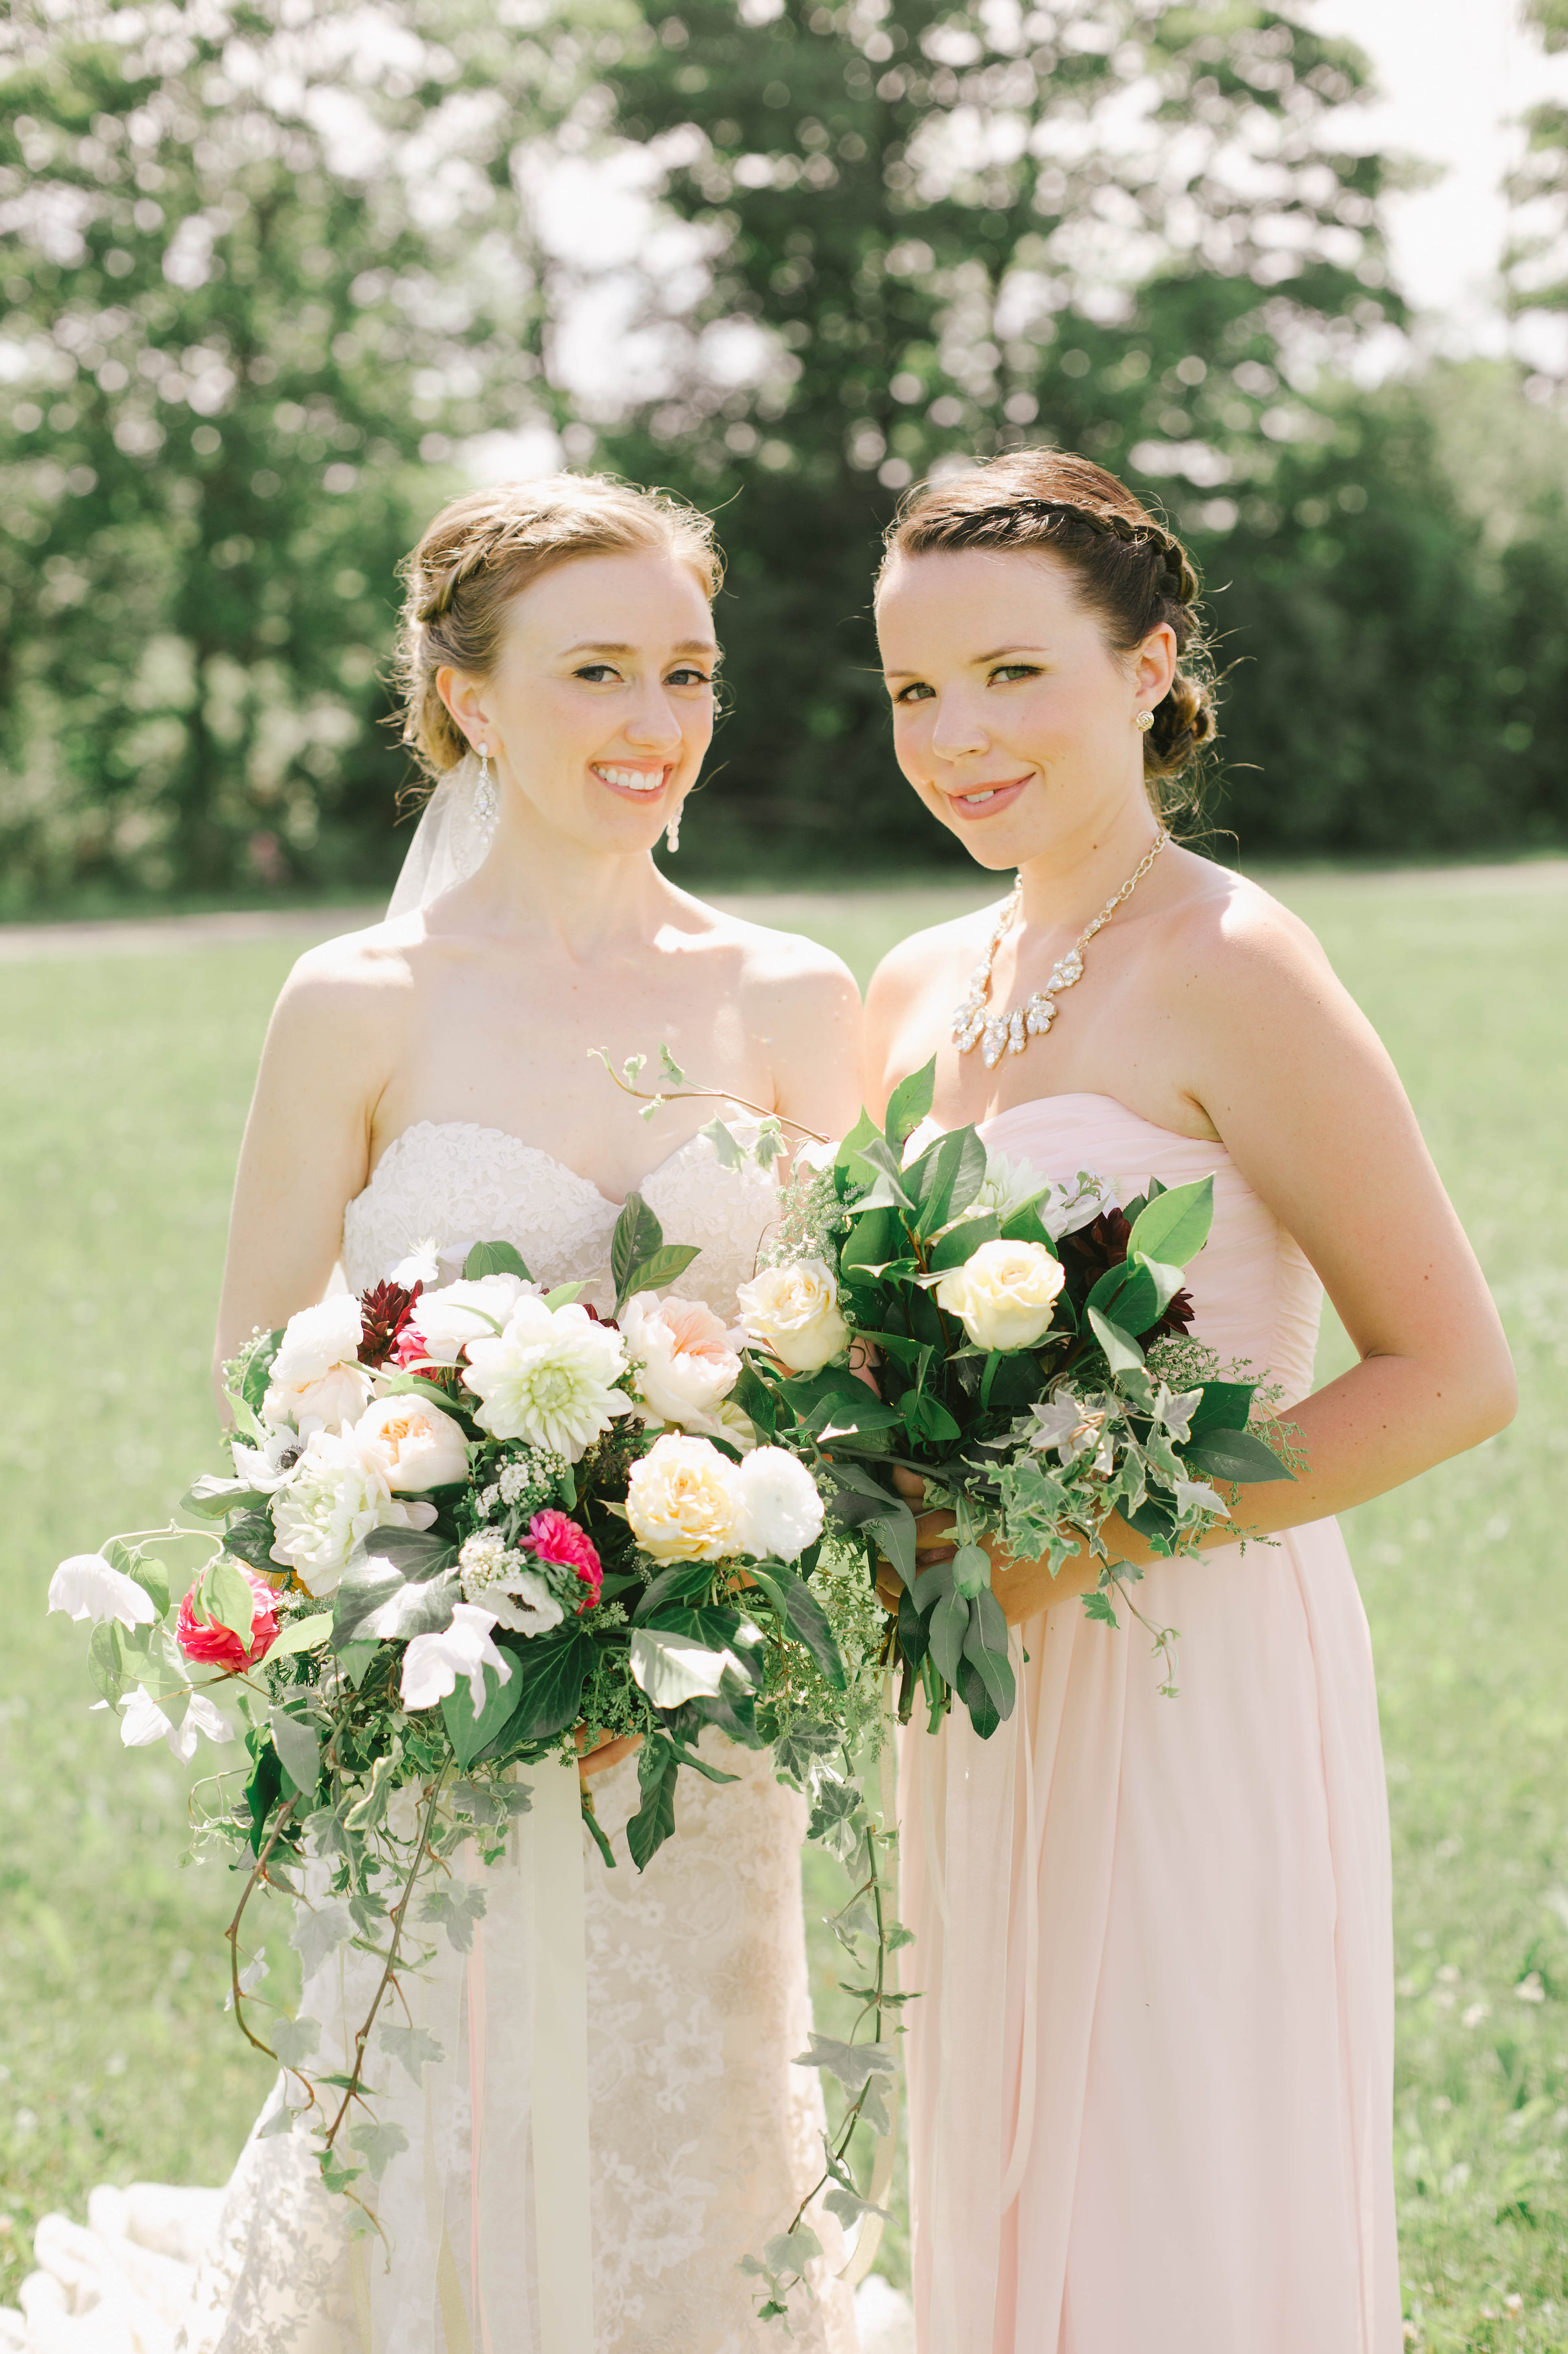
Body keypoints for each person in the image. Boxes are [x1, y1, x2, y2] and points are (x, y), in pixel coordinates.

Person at [8, 476, 862, 2354]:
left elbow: (842, 1353)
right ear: (469, 696)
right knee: (446, 2085)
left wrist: (706, 1518)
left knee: (698, 2088)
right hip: (447, 1672)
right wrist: (428, 1507)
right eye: (597, 673)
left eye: (689, 673)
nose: (654, 723)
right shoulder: (357, 1002)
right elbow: (257, 1365)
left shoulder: (795, 996)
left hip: (711, 1704)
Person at [860, 450, 1516, 2354]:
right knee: (990, 2137)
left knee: (1167, 2158)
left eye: (1011, 674)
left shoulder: (1233, 964)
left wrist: (1083, 1536)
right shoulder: (910, 986)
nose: (956, 735)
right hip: (975, 1661)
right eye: (913, 689)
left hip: (1180, 1646)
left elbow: (1454, 1373)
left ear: (1148, 667)